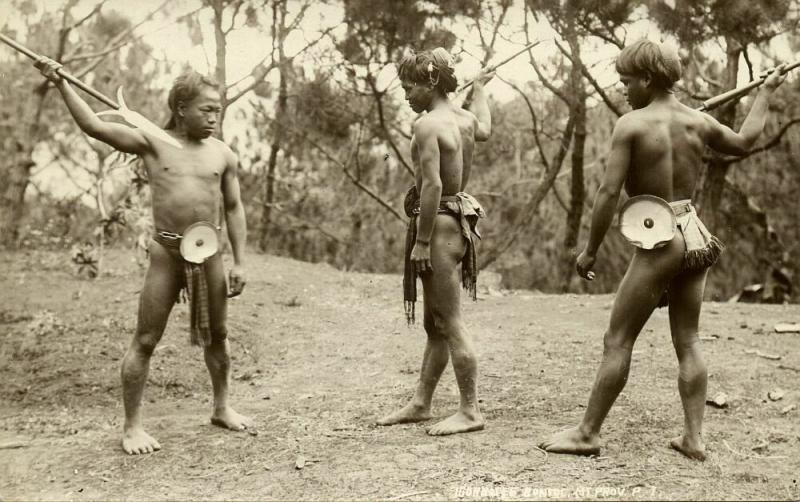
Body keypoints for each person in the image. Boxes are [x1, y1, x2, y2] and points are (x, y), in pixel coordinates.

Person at [538, 39, 786, 460]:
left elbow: (606, 192)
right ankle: (694, 438)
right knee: (687, 339)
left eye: (626, 81)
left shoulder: (631, 125)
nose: (622, 89)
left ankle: (587, 434)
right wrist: (764, 93)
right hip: (693, 232)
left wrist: (591, 249)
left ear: (648, 79)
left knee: (616, 340)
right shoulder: (697, 122)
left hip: (660, 235)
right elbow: (745, 141)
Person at [36, 58, 252, 455]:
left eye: (218, 111)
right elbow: (95, 127)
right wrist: (61, 83)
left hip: (210, 253)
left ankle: (222, 407)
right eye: (206, 110)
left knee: (217, 336)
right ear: (181, 107)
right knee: (146, 339)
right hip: (166, 253)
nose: (213, 118)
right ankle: (132, 427)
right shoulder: (153, 143)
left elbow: (234, 208)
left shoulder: (223, 154)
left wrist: (240, 261)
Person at [376, 48, 493, 436]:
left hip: (439, 226)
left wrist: (422, 241)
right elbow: (486, 130)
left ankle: (470, 410)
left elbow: (433, 185)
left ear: (430, 82)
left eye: (409, 87)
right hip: (459, 222)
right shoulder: (465, 118)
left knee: (451, 321)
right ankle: (422, 403)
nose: (405, 95)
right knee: (435, 323)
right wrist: (479, 91)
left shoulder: (427, 126)